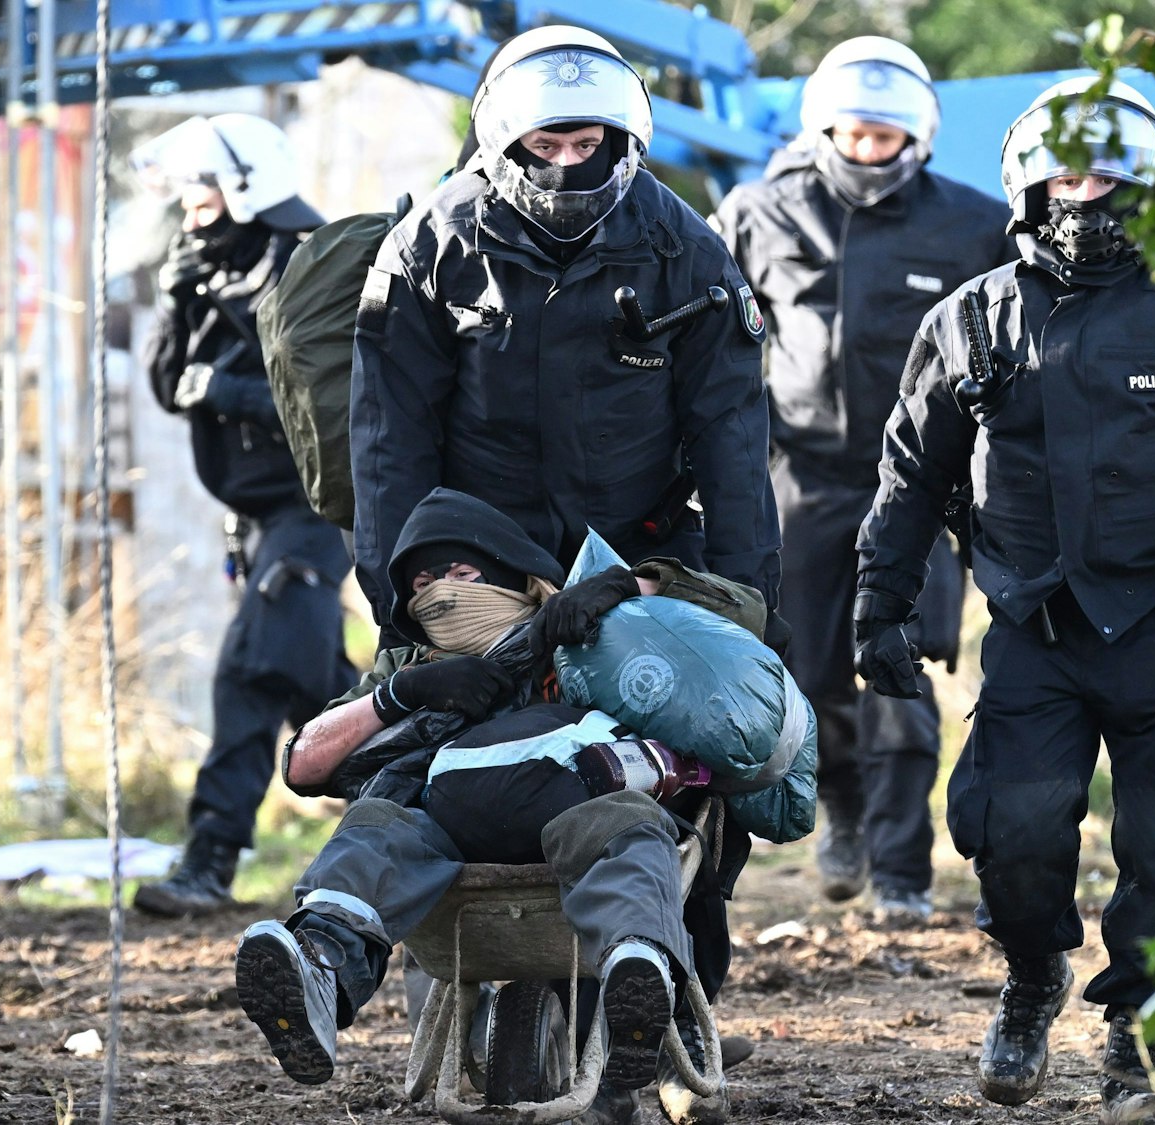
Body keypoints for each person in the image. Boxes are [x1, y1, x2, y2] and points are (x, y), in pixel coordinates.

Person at [853, 78, 1155, 1123]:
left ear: (1150, 185)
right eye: (1066, 174)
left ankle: (1134, 1039)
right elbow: (909, 477)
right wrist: (877, 609)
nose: (1086, 193)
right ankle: (1028, 981)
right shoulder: (966, 320)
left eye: (1109, 175)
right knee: (1009, 832)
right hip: (1027, 624)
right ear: (1026, 184)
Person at [238, 487, 795, 1124]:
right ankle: (320, 968)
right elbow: (304, 765)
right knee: (374, 828)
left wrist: (625, 589)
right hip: (450, 843)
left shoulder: (590, 632)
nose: (440, 590)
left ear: (515, 574)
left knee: (631, 830)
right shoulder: (410, 662)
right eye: (421, 582)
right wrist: (401, 694)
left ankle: (640, 976)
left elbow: (746, 616)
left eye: (462, 572)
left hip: (582, 813)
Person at [351, 25, 784, 648]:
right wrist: (400, 613)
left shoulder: (687, 250)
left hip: (639, 565)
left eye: (587, 143)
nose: (567, 164)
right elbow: (388, 444)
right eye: (546, 144)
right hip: (478, 567)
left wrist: (750, 597)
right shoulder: (430, 249)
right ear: (506, 140)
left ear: (620, 138)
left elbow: (731, 435)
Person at [711, 37, 1015, 920]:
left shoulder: (968, 223)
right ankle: (840, 809)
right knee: (809, 673)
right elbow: (713, 339)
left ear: (915, 135)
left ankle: (903, 873)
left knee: (903, 667)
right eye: (854, 133)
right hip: (797, 479)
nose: (869, 149)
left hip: (920, 485)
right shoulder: (757, 212)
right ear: (824, 128)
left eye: (886, 136)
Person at [130, 113, 355, 917]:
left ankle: (210, 860)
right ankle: (419, 803)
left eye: (206, 184)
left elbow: (341, 401)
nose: (192, 201)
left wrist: (229, 393)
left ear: (248, 184)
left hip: (315, 509)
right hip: (255, 520)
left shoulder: (308, 264)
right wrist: (173, 296)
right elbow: (166, 385)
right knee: (320, 687)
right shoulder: (204, 269)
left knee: (250, 668)